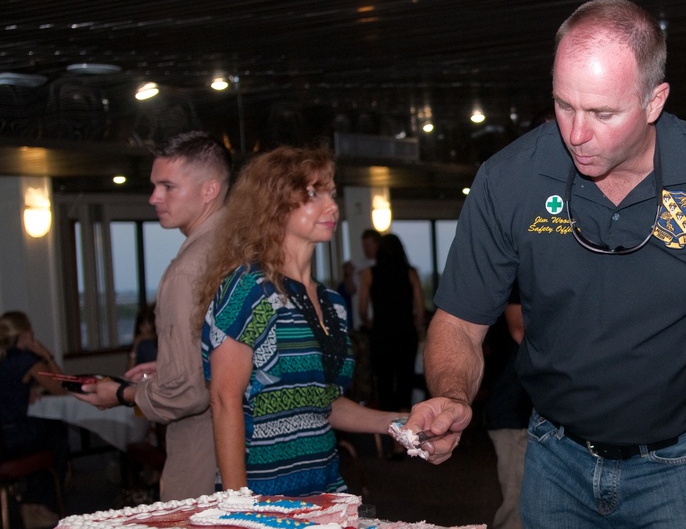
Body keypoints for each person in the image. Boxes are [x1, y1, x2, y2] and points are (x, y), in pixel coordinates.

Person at [402, 0, 686, 529]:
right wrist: (452, 394)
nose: (575, 133)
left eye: (601, 112)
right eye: (563, 104)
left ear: (654, 102)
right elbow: (459, 322)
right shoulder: (510, 180)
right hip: (555, 460)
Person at [199, 146, 402, 495]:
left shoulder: (334, 304)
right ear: (273, 205)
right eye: (313, 194)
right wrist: (237, 504)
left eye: (331, 193)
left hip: (326, 488)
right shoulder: (249, 290)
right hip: (263, 492)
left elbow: (323, 403)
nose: (332, 206)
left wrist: (395, 423)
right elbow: (223, 399)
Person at [77, 131, 230, 501]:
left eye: (167, 186)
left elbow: (188, 393)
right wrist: (175, 365)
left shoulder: (188, 270)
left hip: (206, 455)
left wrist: (122, 394)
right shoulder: (250, 246)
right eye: (154, 186)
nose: (153, 198)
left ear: (209, 190)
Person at [0, 311, 69, 529]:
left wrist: (26, 388)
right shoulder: (26, 361)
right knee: (56, 435)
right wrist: (46, 354)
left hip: (3, 436)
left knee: (44, 432)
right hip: (13, 437)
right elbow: (61, 388)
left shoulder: (5, 359)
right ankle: (36, 503)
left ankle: (32, 500)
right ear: (24, 334)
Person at [358, 233, 425, 413]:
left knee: (384, 384)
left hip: (381, 334)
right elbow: (420, 309)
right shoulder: (411, 273)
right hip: (405, 334)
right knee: (406, 384)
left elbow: (362, 309)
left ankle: (388, 432)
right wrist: (416, 327)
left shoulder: (368, 274)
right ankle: (404, 435)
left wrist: (369, 323)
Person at [483, 289, 531, 529]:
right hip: (513, 409)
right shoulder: (519, 276)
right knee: (517, 510)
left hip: (525, 408)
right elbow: (520, 330)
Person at [127, 302, 158, 369]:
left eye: (149, 323)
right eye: (142, 324)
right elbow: (129, 372)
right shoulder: (142, 344)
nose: (145, 328)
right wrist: (135, 346)